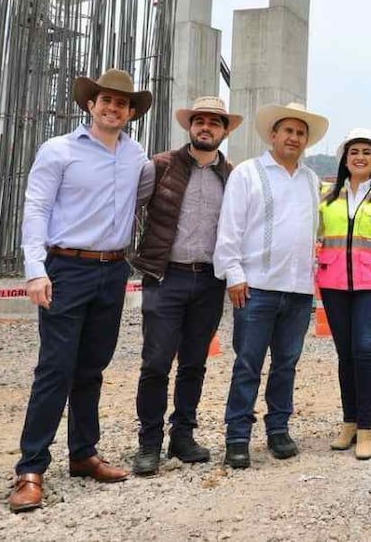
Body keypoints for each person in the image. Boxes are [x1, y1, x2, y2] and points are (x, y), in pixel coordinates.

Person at [9, 69, 152, 513]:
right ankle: (30, 468)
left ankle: (83, 454)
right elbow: (36, 209)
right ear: (90, 104)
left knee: (92, 367)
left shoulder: (136, 156)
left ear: (131, 113)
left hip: (112, 271)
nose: (113, 108)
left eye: (122, 103)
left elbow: (145, 196)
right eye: (105, 100)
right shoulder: (59, 150)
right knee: (55, 368)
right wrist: (36, 271)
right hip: (66, 267)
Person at [130, 96, 242, 476]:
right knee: (156, 363)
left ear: (225, 131)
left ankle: (183, 436)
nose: (206, 127)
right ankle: (148, 443)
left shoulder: (233, 176)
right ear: (190, 126)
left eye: (214, 122)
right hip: (166, 277)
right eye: (200, 121)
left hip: (210, 280)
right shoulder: (159, 166)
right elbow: (127, 208)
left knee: (194, 363)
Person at [214, 101, 327, 469]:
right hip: (256, 287)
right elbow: (229, 228)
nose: (293, 138)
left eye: (300, 133)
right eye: (288, 131)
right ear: (273, 135)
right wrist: (234, 274)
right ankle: (237, 436)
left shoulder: (311, 180)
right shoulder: (247, 173)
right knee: (248, 363)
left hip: (297, 290)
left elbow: (310, 233)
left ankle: (278, 429)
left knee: (287, 363)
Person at [318, 128, 371, 460]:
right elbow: (317, 236)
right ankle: (349, 423)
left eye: (366, 152)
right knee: (345, 355)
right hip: (334, 285)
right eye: (354, 151)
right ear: (345, 158)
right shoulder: (327, 195)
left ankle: (366, 428)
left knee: (365, 350)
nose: (359, 157)